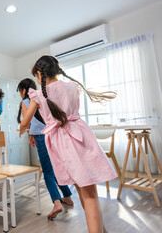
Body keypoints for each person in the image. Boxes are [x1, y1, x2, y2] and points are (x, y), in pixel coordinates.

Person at [19, 56, 117, 233]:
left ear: (40, 74)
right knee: (86, 190)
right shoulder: (72, 87)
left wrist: (23, 126)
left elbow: (25, 123)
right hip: (80, 137)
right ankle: (101, 229)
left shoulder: (38, 95)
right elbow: (73, 111)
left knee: (87, 192)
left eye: (36, 76)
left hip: (64, 144)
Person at [17, 78, 73, 220]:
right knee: (56, 167)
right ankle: (67, 196)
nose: (20, 94)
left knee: (47, 170)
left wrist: (28, 133)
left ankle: (56, 202)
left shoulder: (25, 102)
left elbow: (28, 121)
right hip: (52, 134)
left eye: (19, 91)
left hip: (41, 137)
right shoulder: (42, 97)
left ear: (24, 90)